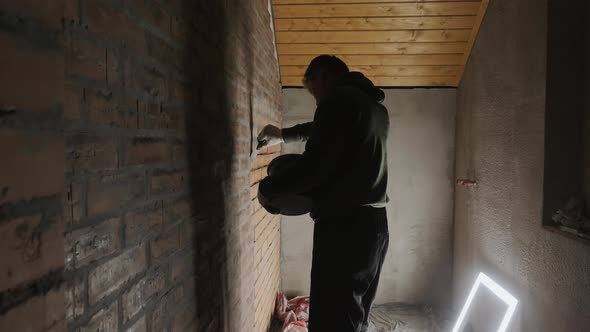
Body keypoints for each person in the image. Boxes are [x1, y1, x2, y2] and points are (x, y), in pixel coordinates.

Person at [257, 55, 389, 332]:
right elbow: (320, 131)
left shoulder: (338, 102)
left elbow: (314, 167)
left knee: (331, 319)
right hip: (374, 227)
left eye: (314, 92)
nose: (316, 101)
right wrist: (283, 135)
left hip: (345, 229)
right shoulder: (372, 107)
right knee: (355, 315)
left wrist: (270, 190)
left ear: (323, 77)